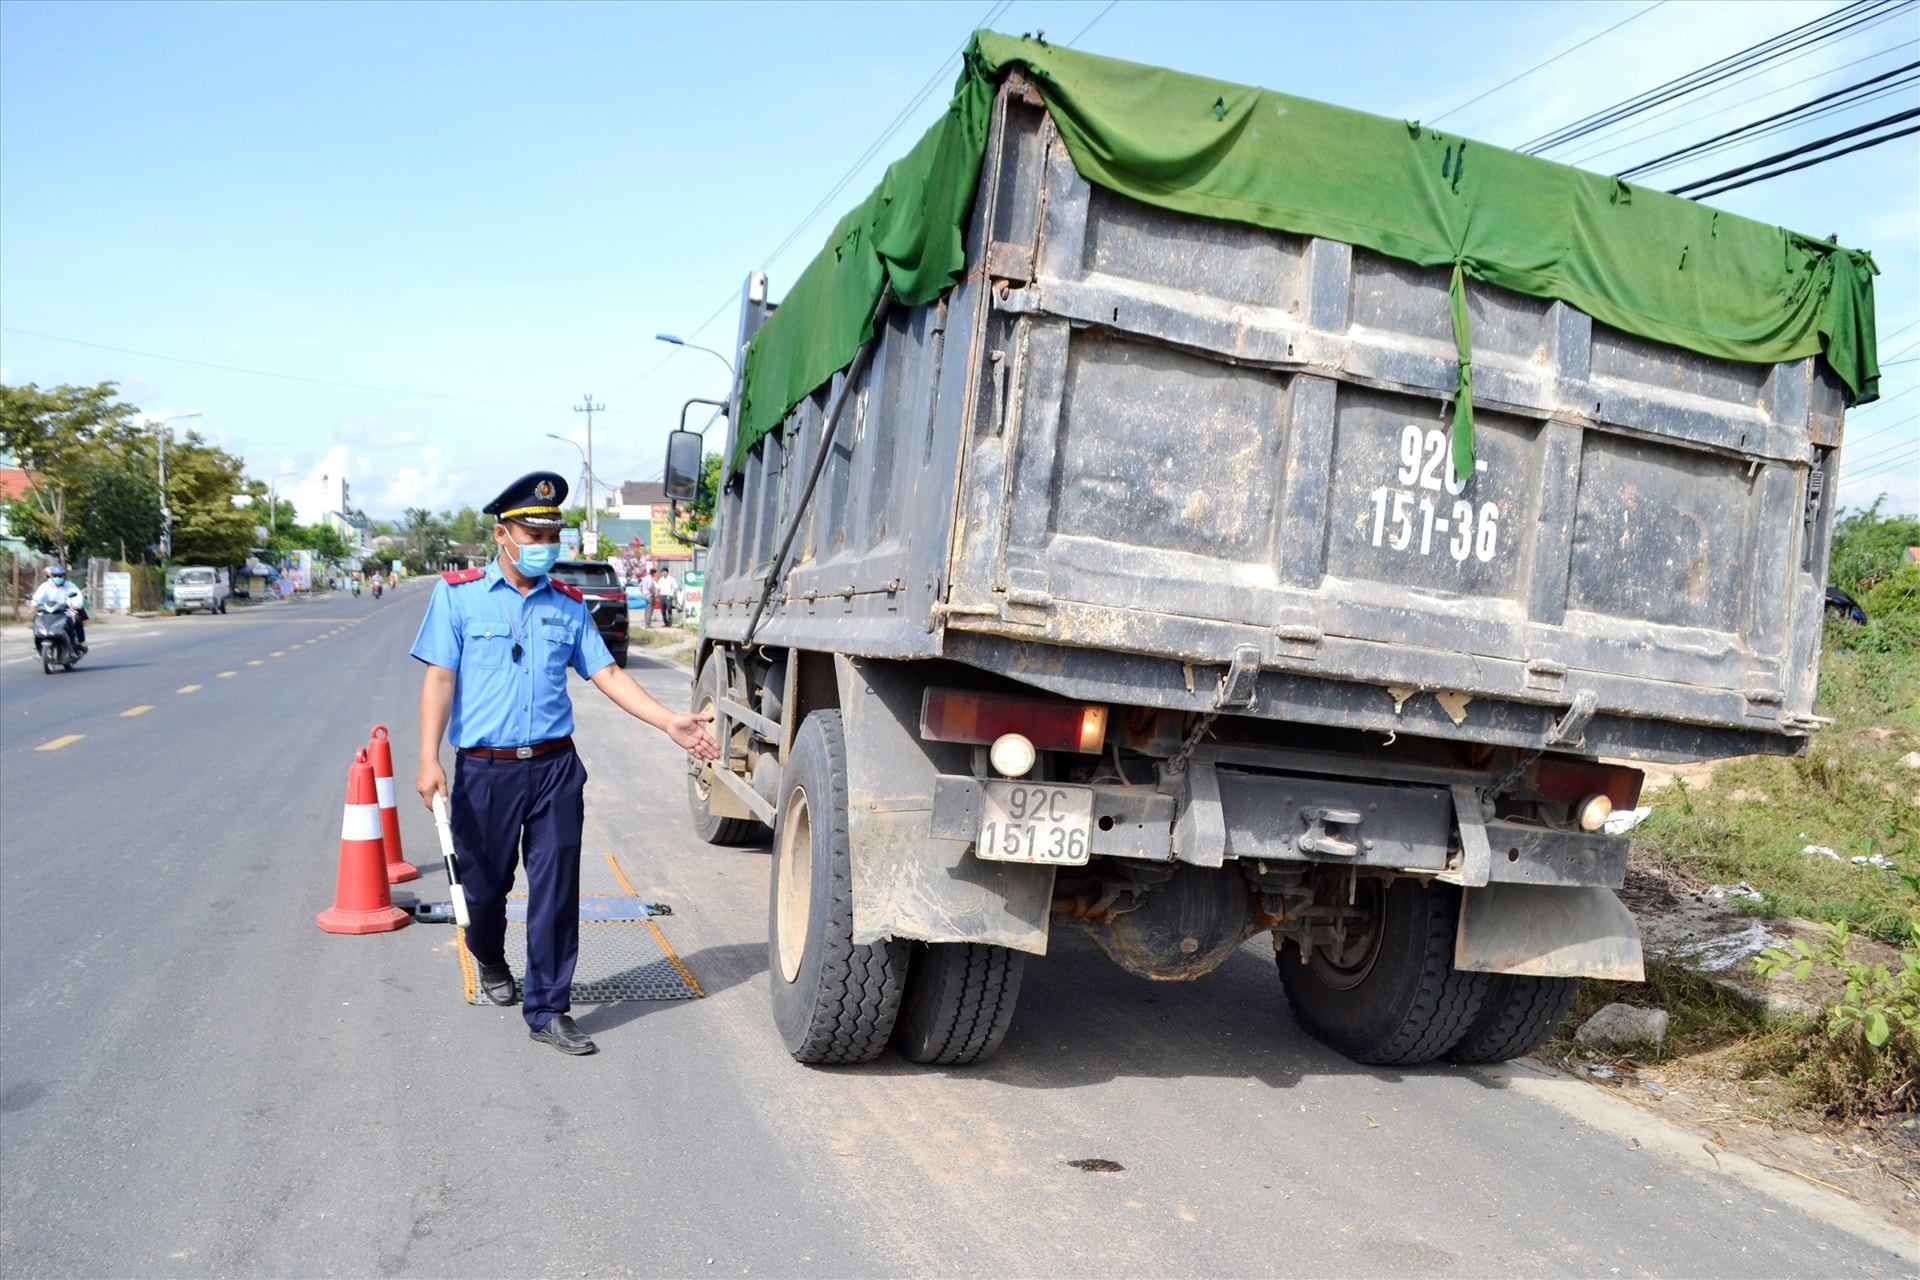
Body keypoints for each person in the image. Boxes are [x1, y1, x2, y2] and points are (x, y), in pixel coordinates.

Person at [411, 471, 719, 1056]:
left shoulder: (568, 605)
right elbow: (440, 677)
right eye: (533, 532)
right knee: (481, 892)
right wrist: (428, 759)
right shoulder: (458, 595)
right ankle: (489, 956)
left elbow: (607, 674)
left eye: (553, 532)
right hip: (484, 770)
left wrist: (667, 721)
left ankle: (549, 1008)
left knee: (555, 891)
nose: (544, 543)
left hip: (554, 769)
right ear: (503, 534)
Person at [30, 566, 87, 651]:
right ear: (51, 576)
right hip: (48, 611)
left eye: (60, 576)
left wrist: (74, 606)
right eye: (55, 576)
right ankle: (39, 640)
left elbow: (78, 597)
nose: (57, 578)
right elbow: (37, 597)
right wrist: (33, 605)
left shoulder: (70, 586)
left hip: (64, 611)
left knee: (77, 618)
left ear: (64, 576)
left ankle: (80, 642)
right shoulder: (45, 586)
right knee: (36, 620)